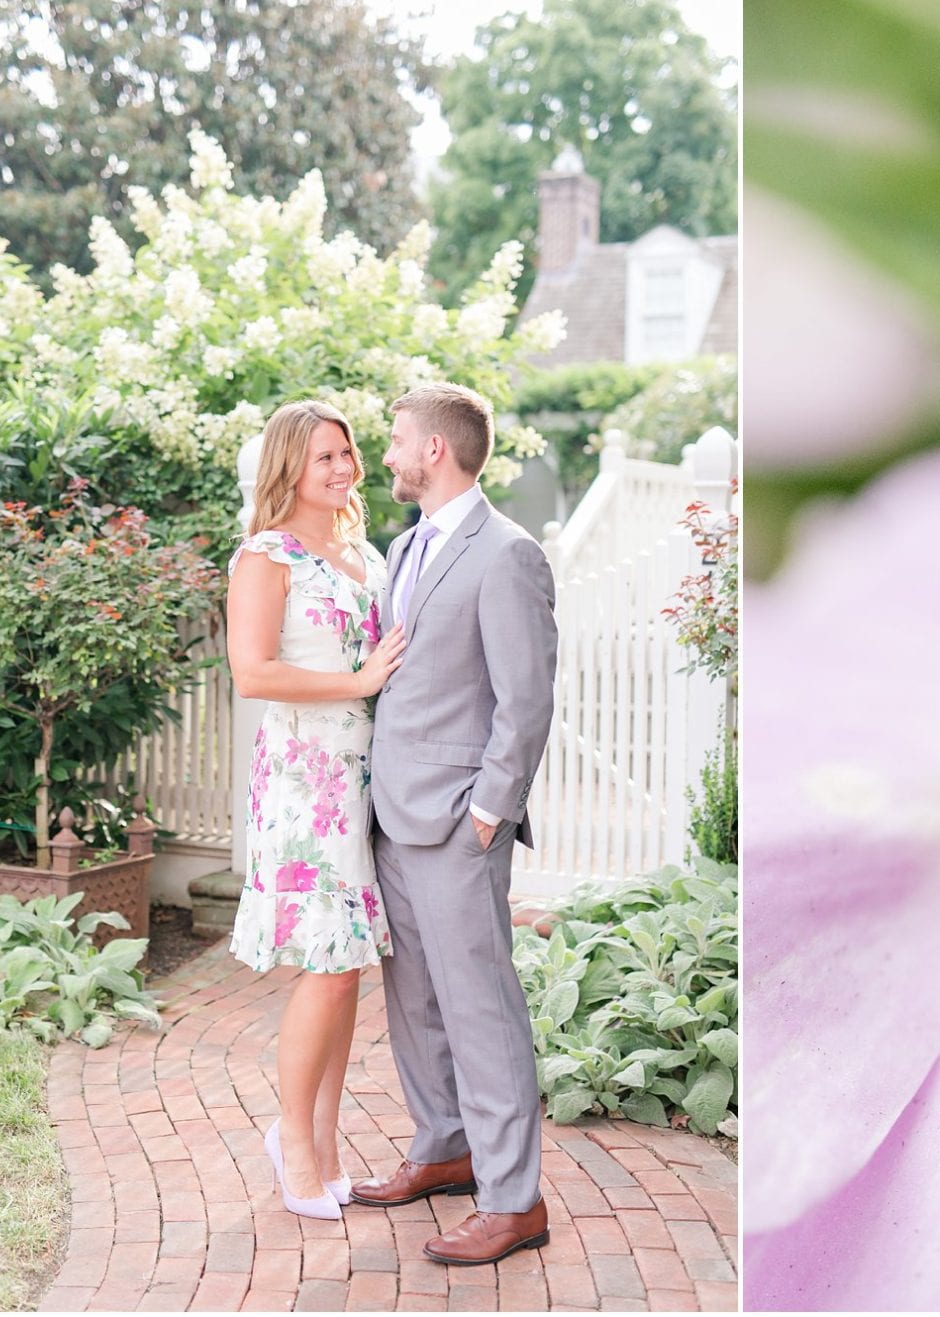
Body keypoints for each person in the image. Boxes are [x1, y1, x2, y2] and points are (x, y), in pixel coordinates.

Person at [350, 381, 560, 1267]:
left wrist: (488, 811)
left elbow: (527, 698)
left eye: (397, 440)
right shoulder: (406, 547)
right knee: (415, 998)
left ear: (436, 449)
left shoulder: (506, 553)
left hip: (455, 820)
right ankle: (443, 1145)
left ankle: (514, 1200)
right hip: (391, 814)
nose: (388, 455)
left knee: (481, 1006)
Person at [225, 399, 408, 1221]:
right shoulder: (268, 557)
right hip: (305, 780)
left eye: (347, 452)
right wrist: (360, 681)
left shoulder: (364, 551)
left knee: (347, 967)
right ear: (288, 468)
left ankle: (325, 1141)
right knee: (329, 967)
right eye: (322, 457)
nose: (341, 468)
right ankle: (291, 1141)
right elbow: (254, 673)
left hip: (362, 777)